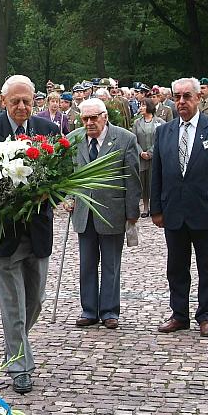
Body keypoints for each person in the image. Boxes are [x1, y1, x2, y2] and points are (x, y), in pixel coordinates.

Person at [0, 75, 59, 394]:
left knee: (34, 301)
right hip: (3, 232)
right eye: (15, 101)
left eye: (27, 101)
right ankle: (20, 366)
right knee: (13, 305)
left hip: (38, 229)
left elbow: (61, 182)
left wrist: (46, 194)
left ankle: (14, 343)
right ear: (3, 101)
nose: (22, 107)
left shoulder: (48, 130)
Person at [151, 77, 208, 338]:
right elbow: (158, 173)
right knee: (176, 266)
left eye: (187, 96)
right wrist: (156, 208)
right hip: (174, 210)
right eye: (177, 97)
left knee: (207, 266)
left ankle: (206, 316)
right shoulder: (164, 131)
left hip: (206, 210)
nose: (181, 102)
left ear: (198, 98)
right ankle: (179, 314)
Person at [66, 98, 141, 330]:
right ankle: (88, 309)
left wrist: (132, 213)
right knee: (87, 263)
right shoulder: (73, 139)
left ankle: (109, 311)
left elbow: (132, 178)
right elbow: (67, 174)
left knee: (111, 263)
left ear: (104, 116)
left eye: (93, 118)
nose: (89, 123)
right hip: (83, 211)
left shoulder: (125, 138)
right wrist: (68, 197)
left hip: (113, 211)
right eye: (85, 118)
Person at [132, 98, 164, 217]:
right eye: (140, 105)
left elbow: (161, 139)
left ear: (149, 107)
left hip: (155, 157)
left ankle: (155, 206)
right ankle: (145, 207)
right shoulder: (136, 123)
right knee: (143, 183)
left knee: (154, 182)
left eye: (143, 105)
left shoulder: (160, 122)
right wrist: (141, 152)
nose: (141, 108)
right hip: (141, 158)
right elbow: (134, 139)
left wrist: (151, 152)